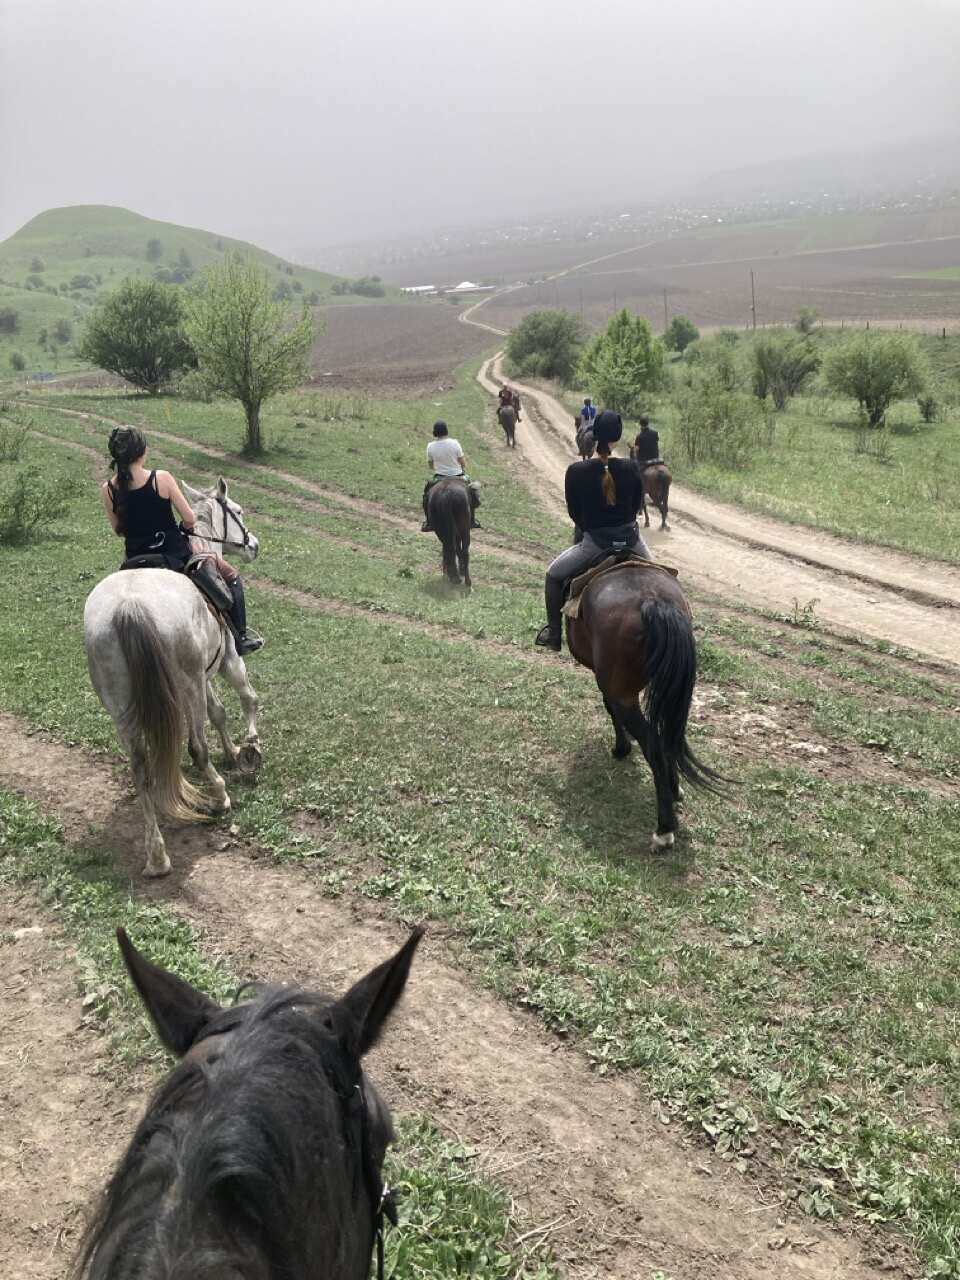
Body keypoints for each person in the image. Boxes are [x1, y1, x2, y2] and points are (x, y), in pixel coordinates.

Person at [101, 426, 263, 655]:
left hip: (135, 558)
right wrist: (185, 527)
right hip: (173, 554)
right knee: (231, 577)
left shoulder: (107, 489)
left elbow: (118, 530)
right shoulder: (161, 478)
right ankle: (241, 637)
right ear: (142, 451)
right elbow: (189, 518)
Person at [535, 410, 653, 651]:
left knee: (553, 577)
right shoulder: (631, 468)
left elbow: (574, 514)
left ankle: (554, 635)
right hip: (632, 542)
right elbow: (636, 508)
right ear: (617, 438)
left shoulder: (576, 472)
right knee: (665, 578)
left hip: (595, 544)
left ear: (594, 435)